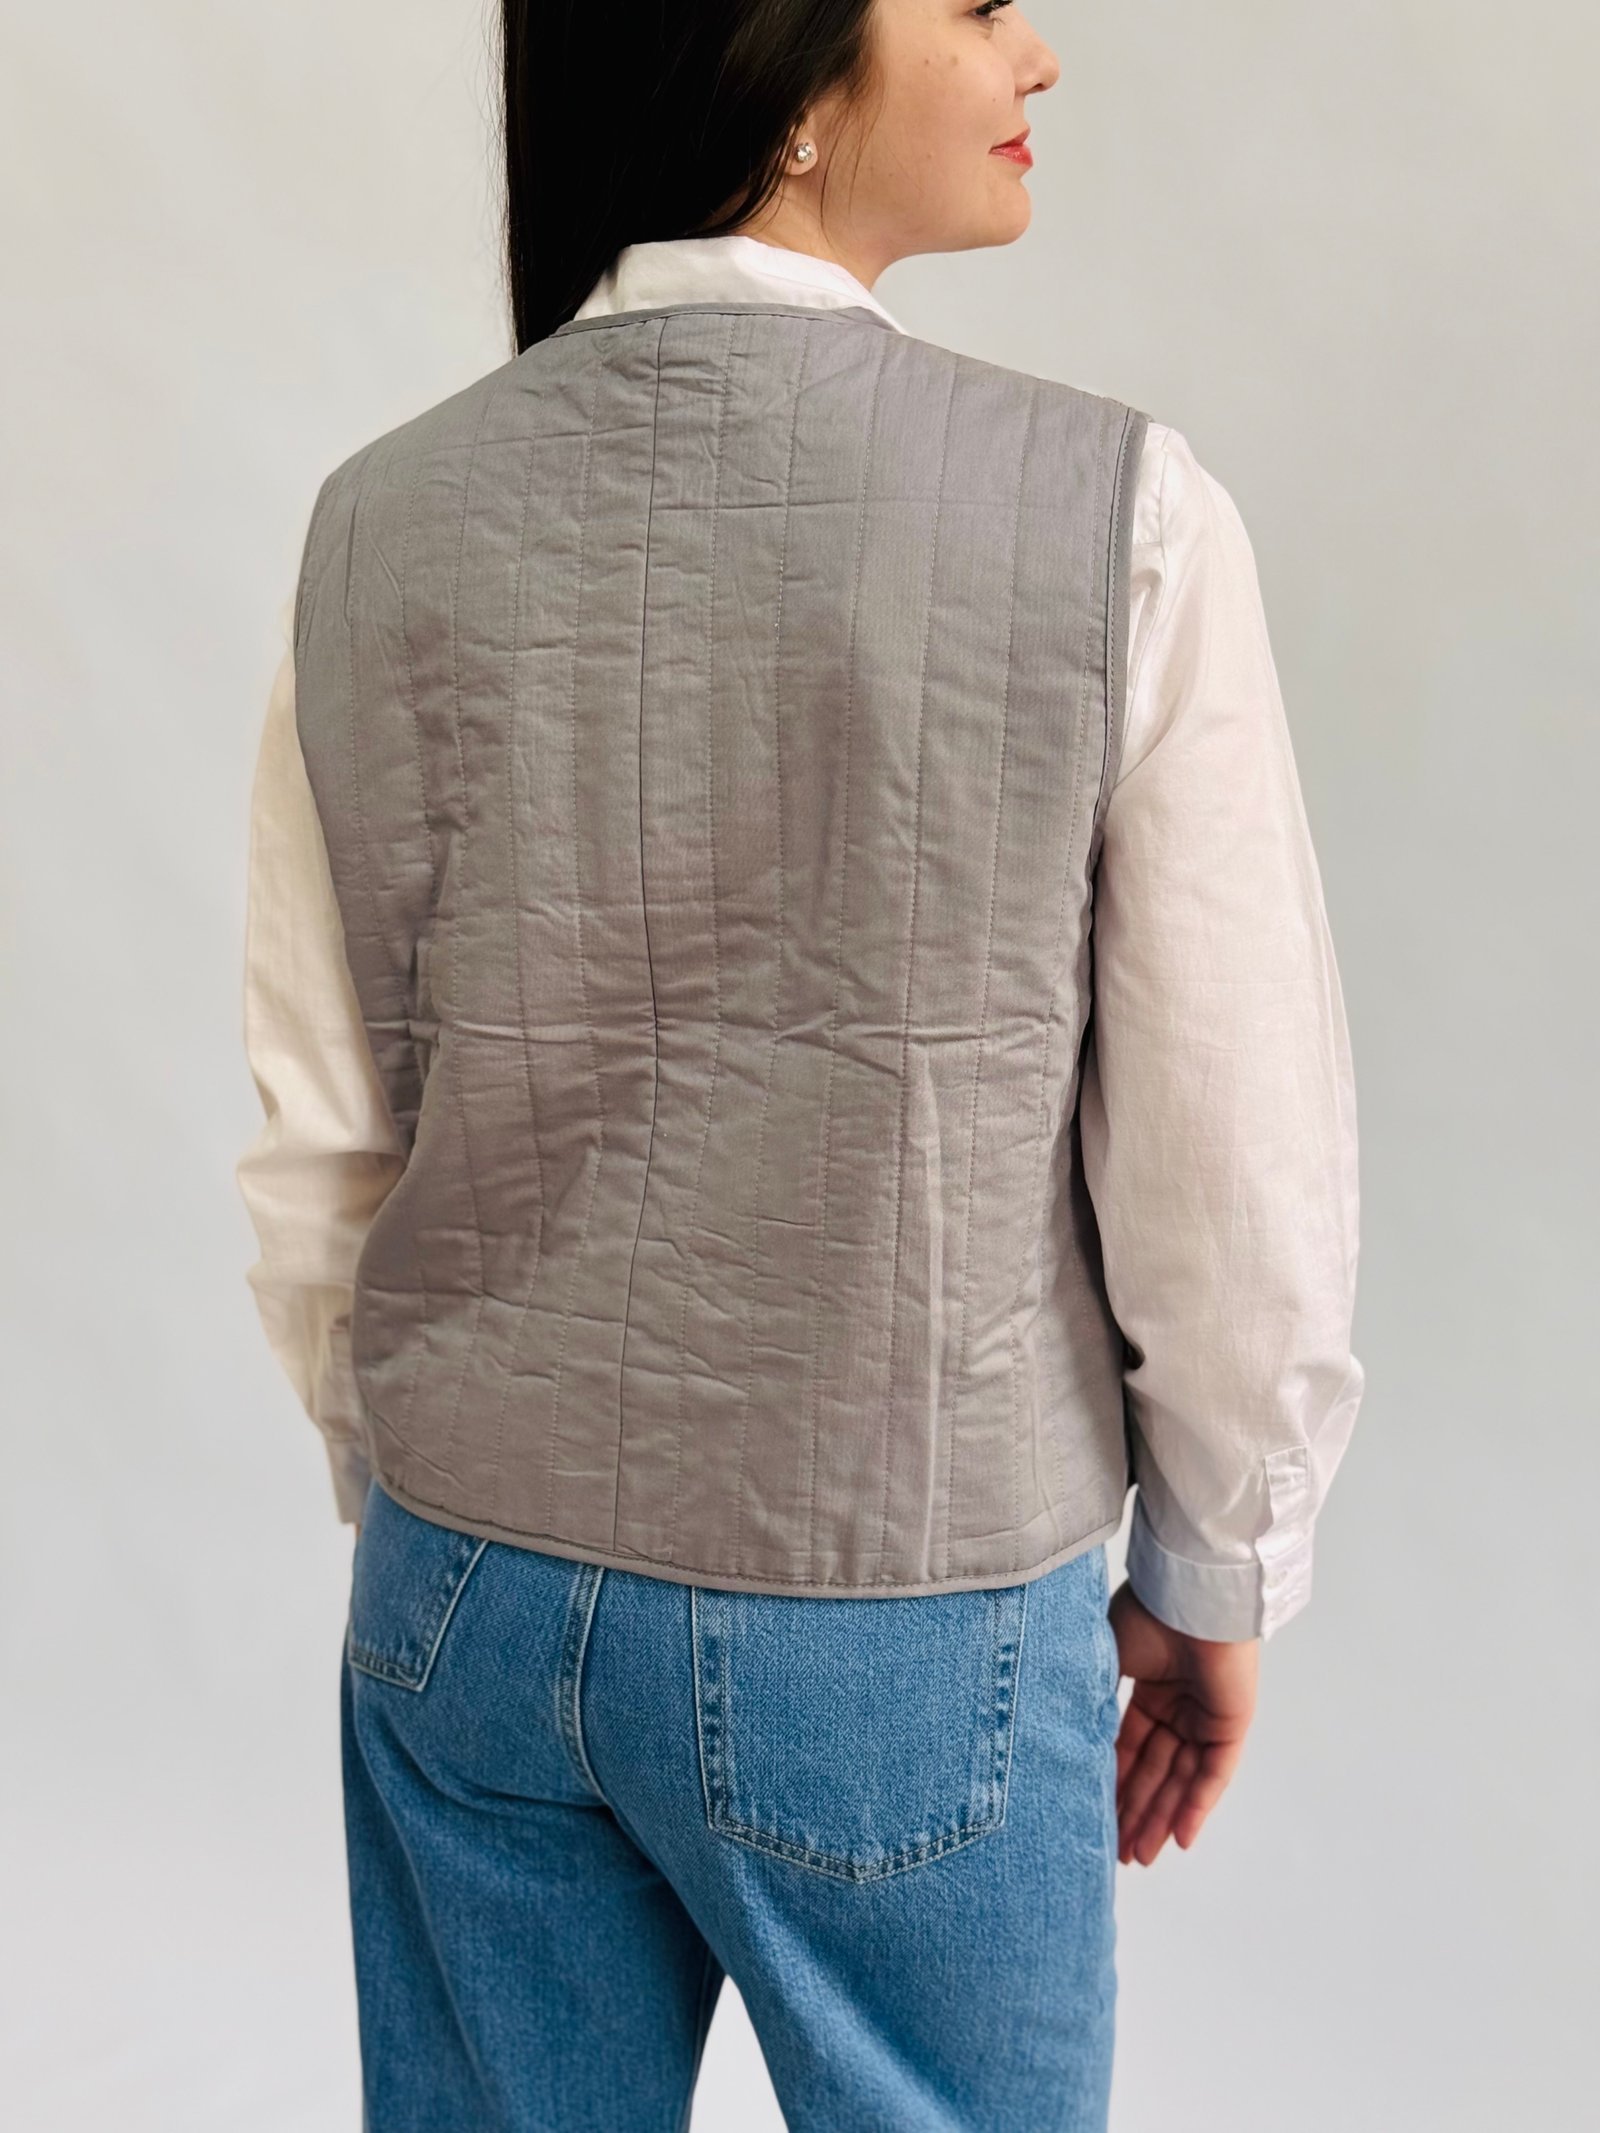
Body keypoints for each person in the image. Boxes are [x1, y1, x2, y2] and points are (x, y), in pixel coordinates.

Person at [237, 3, 1364, 2127]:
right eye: (974, 6)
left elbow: (323, 1140)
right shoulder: (1115, 515)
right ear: (787, 68)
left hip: (465, 1587)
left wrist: (433, 1501)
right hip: (901, 1611)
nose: (1036, 56)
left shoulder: (376, 521)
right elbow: (1230, 1153)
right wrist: (1222, 1562)